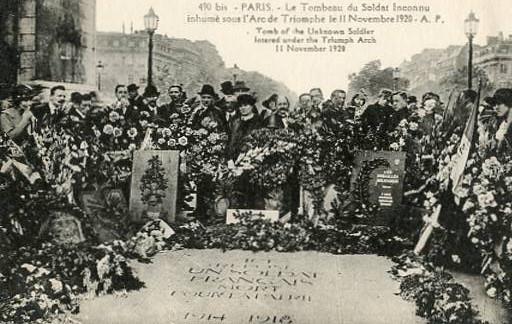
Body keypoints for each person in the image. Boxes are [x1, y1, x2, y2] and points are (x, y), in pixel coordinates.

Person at [228, 94, 262, 159]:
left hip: (252, 156)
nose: (242, 108)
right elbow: (230, 141)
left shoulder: (258, 120)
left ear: (252, 106)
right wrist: (229, 159)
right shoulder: (234, 121)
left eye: (246, 105)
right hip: (234, 157)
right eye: (240, 106)